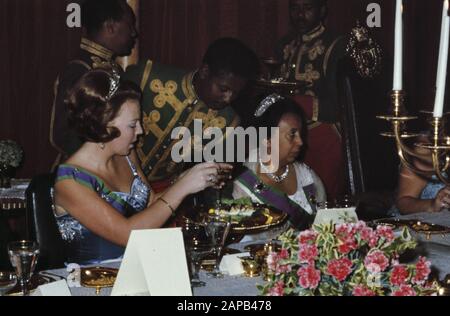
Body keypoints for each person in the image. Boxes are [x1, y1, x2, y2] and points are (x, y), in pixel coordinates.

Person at [53, 70, 232, 265]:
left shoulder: (126, 155)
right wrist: (183, 187)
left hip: (141, 268)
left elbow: (151, 204)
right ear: (104, 125)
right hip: (94, 284)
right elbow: (127, 234)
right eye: (132, 125)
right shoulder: (70, 181)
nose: (140, 131)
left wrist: (189, 178)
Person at [123, 37, 259, 192]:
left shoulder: (228, 121)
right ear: (205, 71)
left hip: (163, 192)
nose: (228, 98)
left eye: (236, 93)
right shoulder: (146, 77)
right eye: (223, 89)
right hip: (108, 179)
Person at [274, 0, 346, 201]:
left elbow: (339, 105)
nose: (300, 14)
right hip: (287, 135)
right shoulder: (285, 44)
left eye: (307, 8)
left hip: (324, 135)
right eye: (295, 8)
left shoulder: (336, 45)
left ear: (322, 10)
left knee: (320, 201)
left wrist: (295, 100)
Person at [50, 0, 138, 162]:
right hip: (81, 172)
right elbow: (63, 135)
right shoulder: (80, 69)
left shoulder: (110, 67)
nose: (133, 33)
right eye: (130, 25)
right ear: (110, 27)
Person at [233, 94, 326, 232]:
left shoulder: (307, 176)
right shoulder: (245, 184)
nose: (300, 142)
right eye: (292, 135)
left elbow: (325, 224)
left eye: (301, 134)